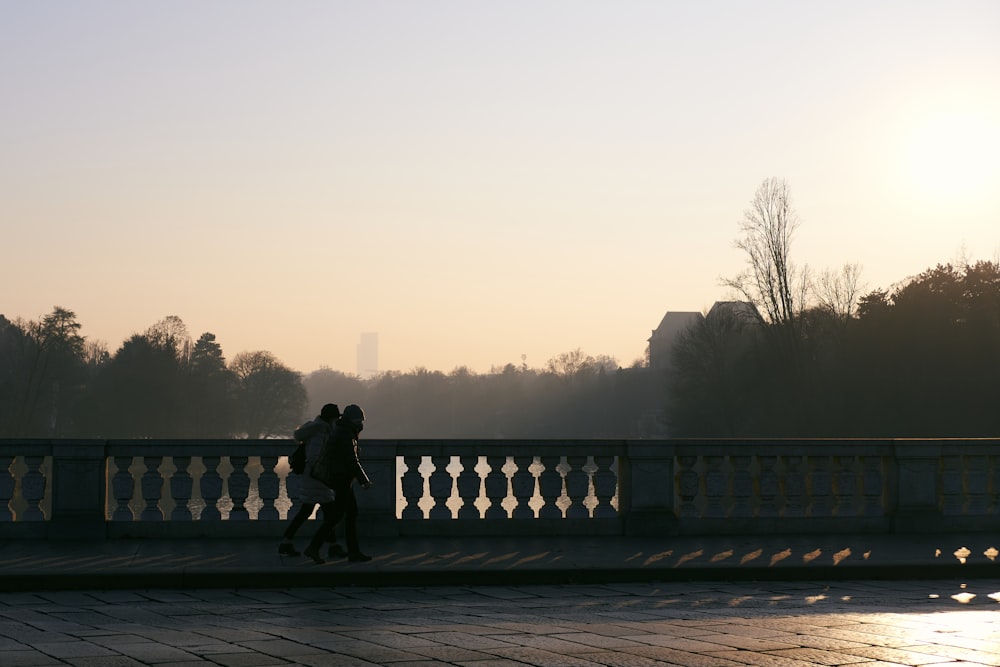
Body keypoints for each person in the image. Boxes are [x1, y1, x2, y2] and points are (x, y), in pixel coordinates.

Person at [304, 403, 373, 564]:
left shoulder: (343, 430)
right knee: (338, 515)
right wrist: (364, 480)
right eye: (359, 420)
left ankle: (352, 552)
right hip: (342, 478)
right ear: (353, 420)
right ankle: (315, 547)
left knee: (347, 514)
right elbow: (351, 460)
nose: (361, 424)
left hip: (341, 478)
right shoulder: (345, 433)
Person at [278, 403, 346, 558]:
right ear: (331, 418)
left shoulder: (317, 429)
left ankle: (286, 542)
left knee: (308, 512)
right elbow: (314, 458)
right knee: (330, 514)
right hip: (318, 479)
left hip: (313, 479)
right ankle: (332, 546)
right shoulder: (321, 433)